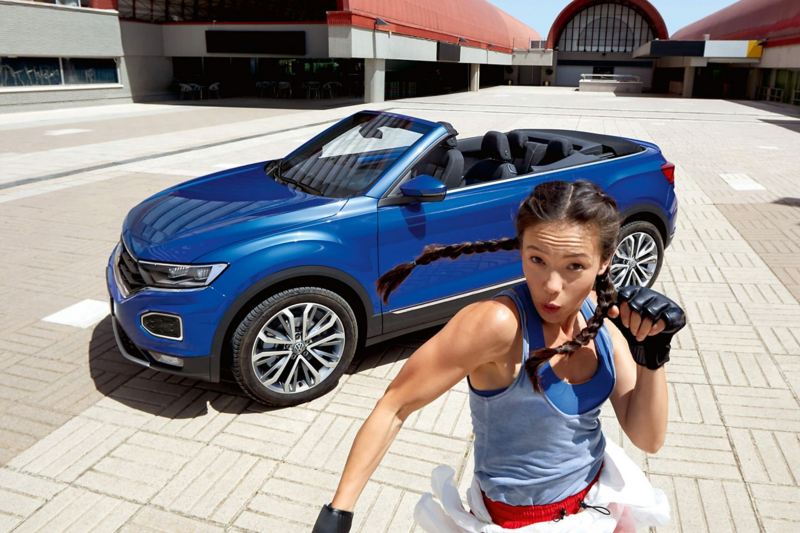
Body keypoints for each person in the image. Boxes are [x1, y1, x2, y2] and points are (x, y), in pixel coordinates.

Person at [312, 180, 685, 532]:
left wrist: (652, 355)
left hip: (597, 506)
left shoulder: (596, 312)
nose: (552, 287)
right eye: (537, 260)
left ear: (604, 262)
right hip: (518, 523)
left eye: (574, 266)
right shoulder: (497, 324)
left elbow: (647, 437)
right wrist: (337, 512)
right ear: (521, 249)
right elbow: (394, 406)